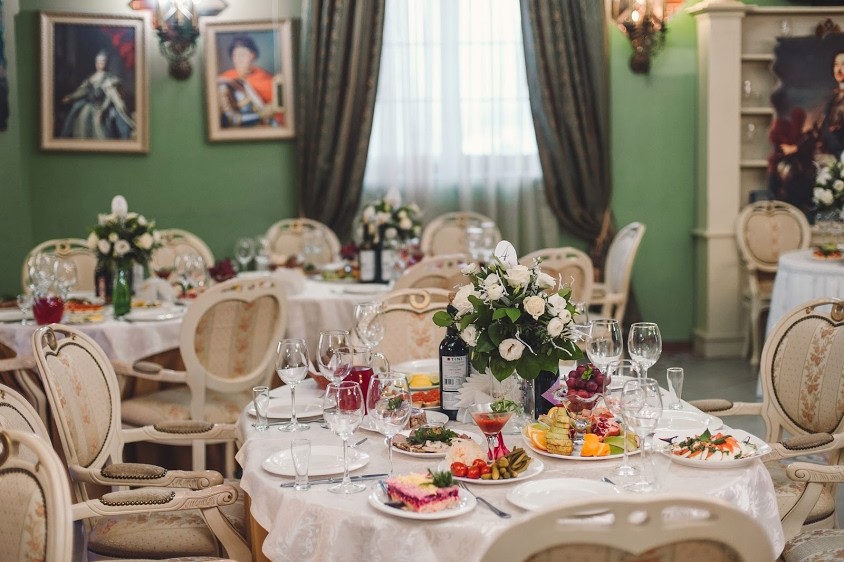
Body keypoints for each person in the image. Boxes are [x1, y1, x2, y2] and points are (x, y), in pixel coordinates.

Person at [59, 49, 135, 139]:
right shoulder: (91, 77)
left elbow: (110, 97)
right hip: (90, 105)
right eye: (98, 62)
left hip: (104, 106)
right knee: (81, 115)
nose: (100, 64)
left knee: (101, 123)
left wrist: (102, 110)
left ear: (106, 63)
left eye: (102, 61)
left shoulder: (110, 78)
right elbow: (83, 90)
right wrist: (71, 97)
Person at [216, 35, 284, 128]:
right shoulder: (226, 77)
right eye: (235, 55)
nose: (238, 59)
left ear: (253, 55)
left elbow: (279, 112)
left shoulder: (265, 78)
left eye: (242, 55)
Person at [817, 50, 844, 158]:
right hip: (830, 154)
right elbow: (821, 126)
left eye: (843, 64)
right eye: (836, 64)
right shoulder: (833, 97)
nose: (839, 69)